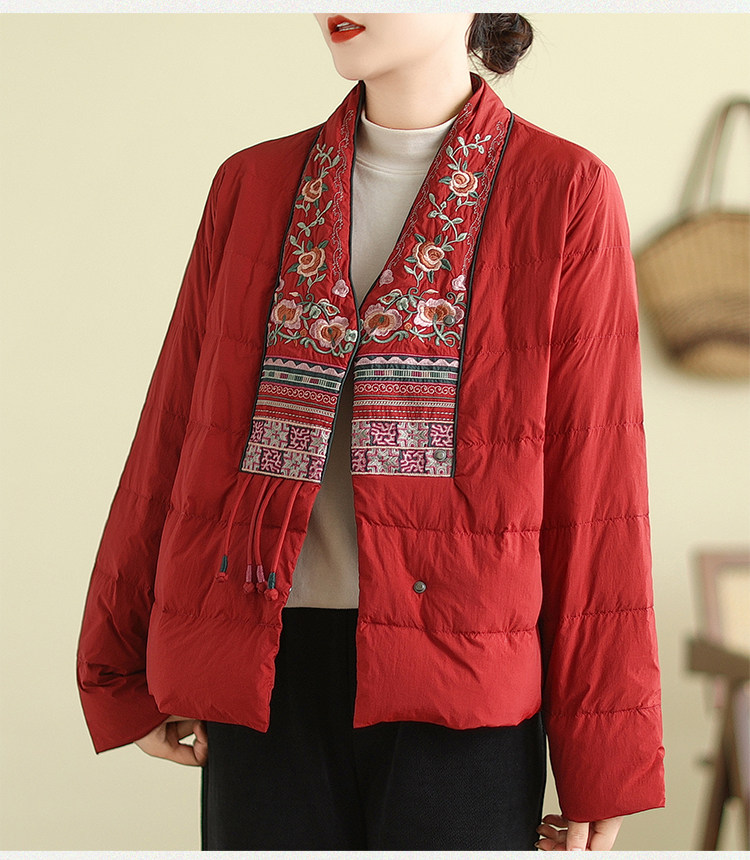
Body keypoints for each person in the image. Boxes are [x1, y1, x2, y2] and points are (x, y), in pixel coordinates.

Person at [76, 12, 666, 852]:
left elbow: (597, 481)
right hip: (261, 664)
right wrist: (120, 664)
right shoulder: (251, 185)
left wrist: (605, 754)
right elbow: (175, 426)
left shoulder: (564, 190)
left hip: (466, 680)